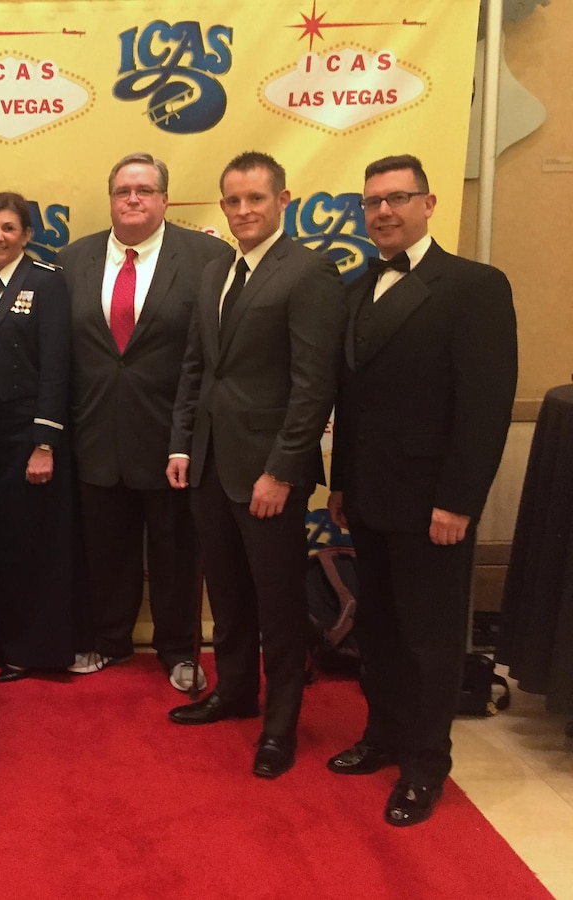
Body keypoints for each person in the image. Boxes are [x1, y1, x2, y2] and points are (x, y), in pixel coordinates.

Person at [326, 154, 517, 825]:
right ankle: (381, 736)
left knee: (428, 638)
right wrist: (341, 483)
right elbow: (353, 403)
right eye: (372, 201)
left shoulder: (474, 287)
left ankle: (425, 765)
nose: (383, 211)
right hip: (370, 497)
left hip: (433, 503)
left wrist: (459, 501)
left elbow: (485, 407)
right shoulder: (354, 289)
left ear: (429, 204)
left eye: (397, 198)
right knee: (378, 628)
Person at [165, 152, 345, 778]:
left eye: (256, 200)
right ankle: (235, 692)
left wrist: (284, 470)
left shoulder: (310, 273)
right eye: (233, 200)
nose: (243, 211)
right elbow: (197, 367)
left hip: (268, 474)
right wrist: (182, 444)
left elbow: (312, 386)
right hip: (210, 464)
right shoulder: (216, 268)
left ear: (283, 201)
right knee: (228, 594)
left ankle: (281, 725)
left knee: (278, 603)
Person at [56, 152, 230, 684]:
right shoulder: (72, 260)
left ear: (163, 199)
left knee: (179, 553)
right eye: (123, 190)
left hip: (173, 440)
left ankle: (179, 651)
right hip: (96, 435)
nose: (133, 198)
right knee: (105, 550)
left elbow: (216, 356)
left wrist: (190, 437)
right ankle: (110, 640)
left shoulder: (208, 257)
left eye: (145, 190)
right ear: (110, 199)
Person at [0, 191, 74, 681]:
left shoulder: (46, 282)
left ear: (27, 235)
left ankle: (31, 649)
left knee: (31, 540)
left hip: (29, 429)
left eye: (9, 228)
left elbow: (56, 367)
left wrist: (44, 442)